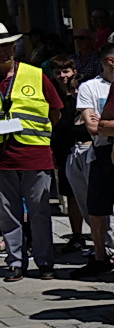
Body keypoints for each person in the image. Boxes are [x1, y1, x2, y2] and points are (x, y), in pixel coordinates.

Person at [0, 25, 62, 280]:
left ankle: (44, 261)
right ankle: (16, 261)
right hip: (2, 159)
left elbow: (55, 110)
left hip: (34, 154)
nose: (3, 51)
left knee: (39, 211)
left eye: (6, 46)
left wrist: (40, 135)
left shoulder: (35, 75)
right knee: (7, 214)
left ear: (13, 47)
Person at [71, 41, 114, 273]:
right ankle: (100, 256)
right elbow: (92, 126)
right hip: (102, 152)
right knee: (97, 208)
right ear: (111, 62)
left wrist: (110, 125)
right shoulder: (91, 88)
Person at [46, 55, 87, 254]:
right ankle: (77, 235)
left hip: (84, 147)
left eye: (66, 72)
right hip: (62, 149)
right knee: (70, 196)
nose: (62, 76)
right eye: (58, 73)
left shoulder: (82, 90)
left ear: (73, 71)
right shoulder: (51, 92)